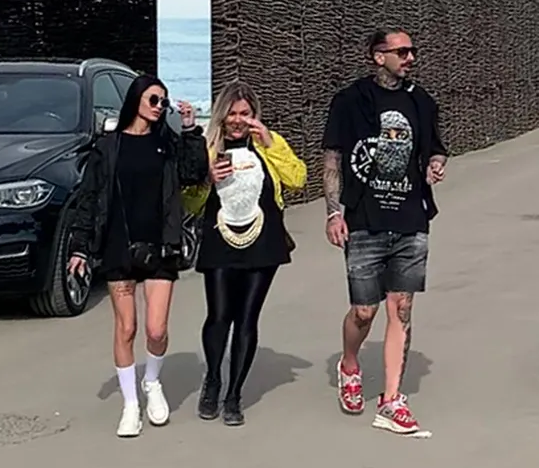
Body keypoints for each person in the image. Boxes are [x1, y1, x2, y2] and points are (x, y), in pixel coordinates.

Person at [67, 74, 208, 438]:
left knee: (156, 330)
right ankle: (130, 405)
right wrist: (80, 246)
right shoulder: (108, 147)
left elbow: (194, 174)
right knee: (126, 328)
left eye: (164, 101)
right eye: (153, 99)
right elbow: (88, 198)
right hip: (119, 245)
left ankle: (152, 382)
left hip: (160, 245)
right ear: (136, 100)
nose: (160, 106)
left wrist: (191, 130)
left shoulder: (166, 144)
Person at [322, 27, 447, 436]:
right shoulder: (350, 101)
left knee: (402, 308)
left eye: (413, 51)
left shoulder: (421, 101)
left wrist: (435, 164)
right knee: (364, 311)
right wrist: (334, 213)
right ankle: (350, 365)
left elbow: (436, 148)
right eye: (402, 51)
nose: (411, 58)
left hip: (411, 219)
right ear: (378, 56)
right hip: (364, 220)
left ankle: (391, 400)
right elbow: (332, 160)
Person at [183, 81, 307, 426]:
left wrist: (270, 144)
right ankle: (213, 380)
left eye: (245, 113)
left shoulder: (269, 142)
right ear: (221, 116)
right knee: (219, 314)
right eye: (232, 113)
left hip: (263, 241)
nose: (238, 120)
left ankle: (234, 394)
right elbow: (189, 202)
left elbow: (298, 179)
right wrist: (207, 178)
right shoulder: (208, 147)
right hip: (219, 238)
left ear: (254, 115)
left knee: (247, 318)